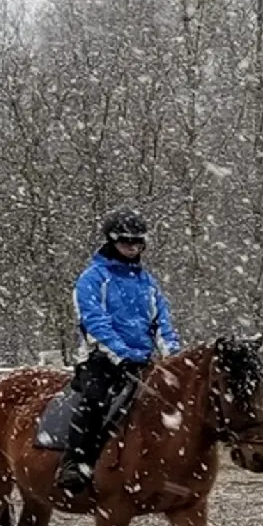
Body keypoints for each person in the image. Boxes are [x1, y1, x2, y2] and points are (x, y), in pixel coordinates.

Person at [55, 207, 181, 494]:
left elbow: (162, 321)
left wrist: (172, 355)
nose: (132, 247)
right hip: (102, 359)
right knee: (94, 400)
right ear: (112, 242)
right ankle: (74, 462)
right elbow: (94, 323)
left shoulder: (147, 283)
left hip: (143, 360)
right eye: (126, 242)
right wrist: (121, 355)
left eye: (137, 242)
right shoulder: (92, 278)